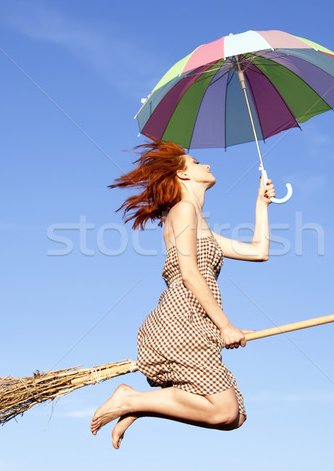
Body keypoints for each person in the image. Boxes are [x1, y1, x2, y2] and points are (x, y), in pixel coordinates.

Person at [90, 137, 276, 448]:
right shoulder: (184, 209)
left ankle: (139, 404)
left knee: (234, 417)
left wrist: (261, 204)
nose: (207, 164)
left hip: (197, 324)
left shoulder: (199, 222)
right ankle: (131, 399)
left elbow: (259, 252)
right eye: (196, 162)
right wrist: (226, 326)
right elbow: (190, 274)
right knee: (224, 410)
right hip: (180, 321)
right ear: (184, 175)